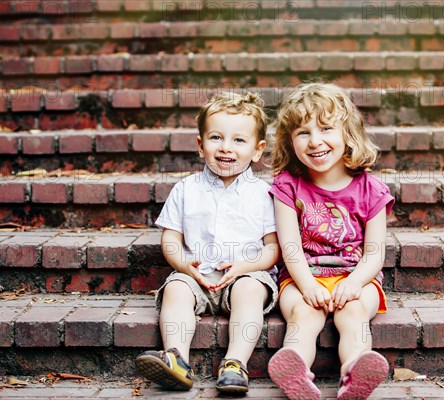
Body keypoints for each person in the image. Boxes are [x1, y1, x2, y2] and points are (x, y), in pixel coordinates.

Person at [135, 92, 280, 394]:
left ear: (257, 150)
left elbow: (273, 247)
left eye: (239, 140)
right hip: (197, 274)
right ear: (201, 145)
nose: (226, 147)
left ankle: (234, 364)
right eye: (216, 137)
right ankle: (177, 359)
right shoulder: (186, 189)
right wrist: (183, 265)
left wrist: (247, 266)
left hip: (245, 273)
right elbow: (171, 238)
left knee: (250, 290)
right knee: (175, 289)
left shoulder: (263, 194)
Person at [267, 83, 394, 400]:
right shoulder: (287, 186)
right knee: (302, 315)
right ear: (290, 140)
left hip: (356, 276)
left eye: (326, 128)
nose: (315, 141)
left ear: (348, 133)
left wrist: (354, 283)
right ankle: (295, 372)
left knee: (353, 313)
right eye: (303, 132)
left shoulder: (371, 190)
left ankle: (355, 373)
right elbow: (290, 247)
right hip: (302, 275)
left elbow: (374, 253)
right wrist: (307, 284)